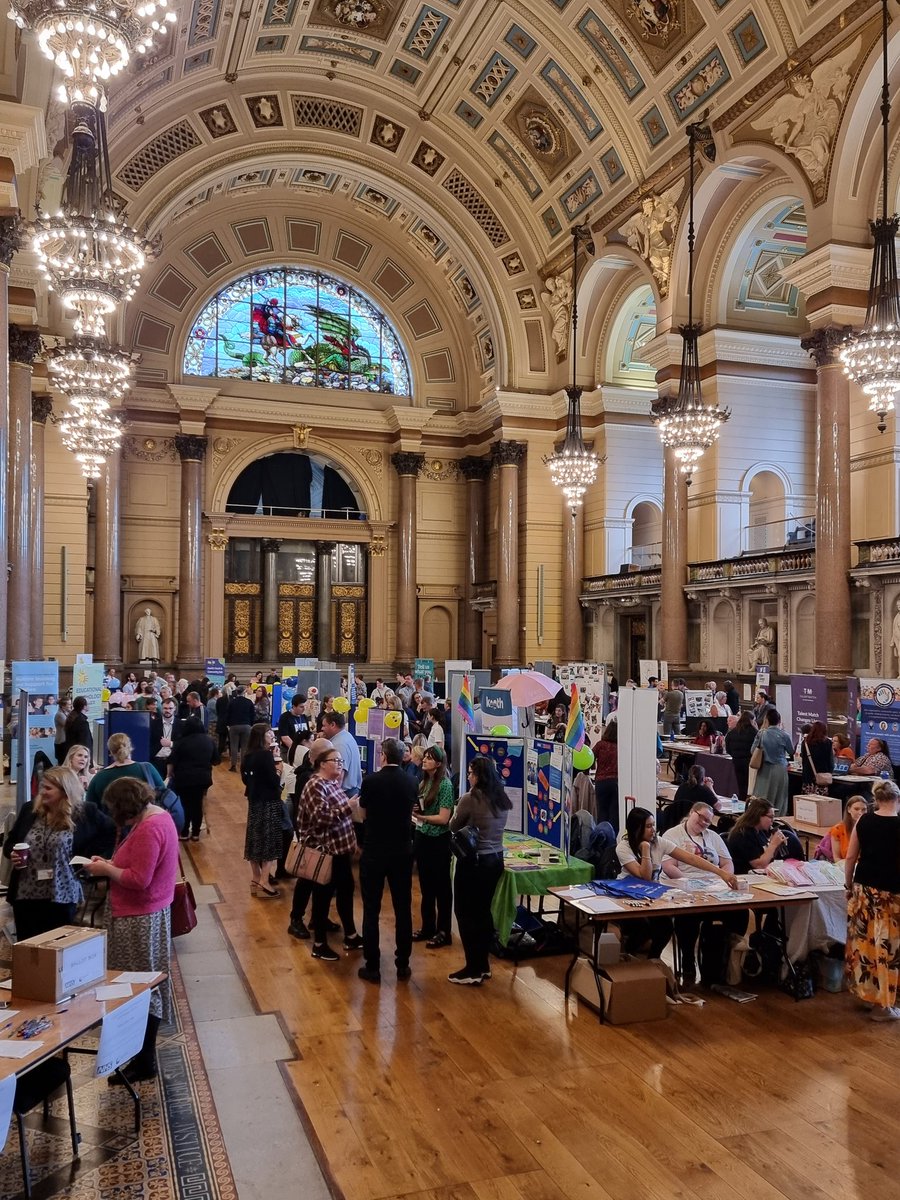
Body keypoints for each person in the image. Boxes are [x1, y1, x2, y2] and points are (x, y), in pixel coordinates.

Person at [84, 776, 178, 1082]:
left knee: (137, 987)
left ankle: (144, 1059)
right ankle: (139, 1055)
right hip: (147, 913)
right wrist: (111, 861)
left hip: (138, 918)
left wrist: (106, 869)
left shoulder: (149, 828)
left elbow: (139, 879)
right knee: (143, 984)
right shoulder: (157, 817)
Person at [3, 767, 115, 940]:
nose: (42, 792)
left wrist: (90, 857)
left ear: (65, 790)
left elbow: (112, 832)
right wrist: (12, 853)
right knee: (27, 946)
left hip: (62, 893)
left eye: (48, 788)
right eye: (42, 787)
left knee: (60, 947)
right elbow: (11, 842)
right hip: (26, 892)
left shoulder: (84, 812)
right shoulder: (29, 810)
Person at [663, 803, 748, 987]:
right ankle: (688, 962)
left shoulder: (714, 837)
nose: (703, 823)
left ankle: (723, 958)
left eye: (708, 821)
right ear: (691, 812)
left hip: (713, 887)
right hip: (684, 886)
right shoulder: (672, 835)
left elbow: (727, 864)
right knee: (688, 918)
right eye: (700, 817)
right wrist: (689, 882)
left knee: (740, 913)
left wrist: (721, 880)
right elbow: (669, 866)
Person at [295, 740, 363, 961]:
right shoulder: (315, 785)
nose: (340, 764)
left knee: (345, 891)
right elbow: (321, 819)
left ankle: (351, 934)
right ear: (322, 763)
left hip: (340, 851)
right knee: (323, 896)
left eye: (341, 761)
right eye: (336, 761)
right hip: (325, 852)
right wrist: (348, 807)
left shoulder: (332, 782)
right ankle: (320, 943)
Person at [357, 738, 418, 983]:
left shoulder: (370, 781)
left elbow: (362, 814)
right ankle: (403, 963)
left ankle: (372, 965)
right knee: (403, 907)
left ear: (382, 755)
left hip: (374, 849)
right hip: (402, 850)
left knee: (371, 908)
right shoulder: (412, 781)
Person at [447, 756, 512, 985]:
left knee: (465, 913)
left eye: (470, 773)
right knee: (483, 912)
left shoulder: (469, 798)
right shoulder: (501, 798)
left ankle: (473, 968)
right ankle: (483, 965)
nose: (468, 776)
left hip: (473, 862)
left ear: (478, 775)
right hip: (496, 860)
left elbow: (453, 826)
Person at [845, 778, 900, 1020]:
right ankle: (884, 1004)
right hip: (893, 893)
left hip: (865, 889)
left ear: (875, 800)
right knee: (889, 947)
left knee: (865, 942)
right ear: (897, 799)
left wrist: (848, 885)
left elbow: (850, 858)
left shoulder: (864, 821)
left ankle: (867, 994)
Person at [412, 745, 455, 949]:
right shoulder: (424, 782)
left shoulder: (445, 785)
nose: (424, 761)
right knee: (426, 887)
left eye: (429, 758)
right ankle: (427, 926)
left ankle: (444, 930)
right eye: (425, 758)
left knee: (441, 889)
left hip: (438, 841)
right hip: (422, 837)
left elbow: (444, 818)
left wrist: (422, 817)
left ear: (438, 764)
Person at [242, 723, 285, 898]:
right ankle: (265, 881)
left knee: (254, 840)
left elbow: (245, 780)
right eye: (269, 734)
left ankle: (255, 878)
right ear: (261, 737)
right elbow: (275, 781)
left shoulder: (248, 756)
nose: (272, 736)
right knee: (269, 842)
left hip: (254, 802)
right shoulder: (266, 756)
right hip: (269, 802)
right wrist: (279, 766)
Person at [169, 716, 218, 841]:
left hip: (183, 778)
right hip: (203, 778)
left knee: (185, 804)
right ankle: (196, 833)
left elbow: (172, 761)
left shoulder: (180, 742)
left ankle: (184, 832)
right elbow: (216, 760)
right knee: (197, 804)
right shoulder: (209, 741)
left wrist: (170, 774)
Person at [86, 733, 165, 810]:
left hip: (110, 822)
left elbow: (89, 808)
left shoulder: (99, 777)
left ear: (110, 751)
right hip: (145, 821)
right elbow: (164, 794)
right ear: (130, 747)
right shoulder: (147, 769)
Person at [726, 798, 804, 874]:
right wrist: (773, 844)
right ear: (758, 816)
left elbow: (768, 859)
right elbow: (759, 865)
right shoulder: (742, 835)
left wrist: (777, 845)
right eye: (770, 817)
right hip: (746, 877)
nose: (773, 820)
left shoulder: (760, 831)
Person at [750, 709, 794, 816]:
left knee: (763, 794)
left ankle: (761, 816)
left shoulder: (761, 734)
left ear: (767, 720)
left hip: (765, 768)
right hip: (780, 769)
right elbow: (791, 751)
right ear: (779, 721)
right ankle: (778, 817)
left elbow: (753, 751)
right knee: (780, 796)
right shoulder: (784, 735)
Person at [658, 764, 720, 833]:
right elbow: (718, 806)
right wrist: (710, 787)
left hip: (676, 822)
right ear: (703, 778)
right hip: (696, 824)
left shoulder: (682, 787)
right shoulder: (704, 790)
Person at [321, 710, 362, 798]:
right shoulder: (347, 736)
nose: (322, 729)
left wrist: (333, 798)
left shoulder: (339, 745)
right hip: (352, 791)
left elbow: (338, 775)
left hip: (345, 793)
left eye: (324, 725)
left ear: (333, 725)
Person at [816, 795, 869, 863]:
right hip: (843, 865)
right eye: (856, 809)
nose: (860, 813)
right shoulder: (838, 829)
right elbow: (837, 858)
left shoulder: (869, 829)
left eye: (864, 809)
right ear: (849, 809)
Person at [725, 709, 757, 801]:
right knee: (750, 785)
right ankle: (749, 803)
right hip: (749, 761)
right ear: (751, 720)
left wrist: (735, 755)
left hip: (737, 761)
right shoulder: (753, 732)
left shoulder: (732, 732)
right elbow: (756, 747)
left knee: (741, 784)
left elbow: (728, 749)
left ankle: (742, 801)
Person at [592, 721, 619, 830]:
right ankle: (612, 840)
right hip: (615, 782)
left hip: (601, 781)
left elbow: (590, 758)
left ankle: (600, 837)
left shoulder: (600, 745)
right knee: (614, 814)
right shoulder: (620, 747)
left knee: (602, 812)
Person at [227, 685, 256, 773]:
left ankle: (233, 765)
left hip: (234, 726)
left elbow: (228, 714)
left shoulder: (232, 702)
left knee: (234, 746)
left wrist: (228, 724)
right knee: (245, 746)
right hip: (246, 725)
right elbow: (253, 715)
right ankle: (244, 766)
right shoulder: (249, 702)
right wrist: (250, 724)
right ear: (244, 692)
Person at [800, 720, 835, 792]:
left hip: (808, 777)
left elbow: (803, 758)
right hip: (822, 777)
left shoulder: (805, 742)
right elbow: (831, 761)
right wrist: (830, 772)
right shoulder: (827, 742)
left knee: (807, 801)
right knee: (821, 801)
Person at [63, 695, 93, 762]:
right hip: (79, 758)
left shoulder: (73, 717)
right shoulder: (82, 722)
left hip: (72, 754)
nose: (89, 706)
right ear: (84, 706)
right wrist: (90, 764)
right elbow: (85, 743)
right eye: (88, 704)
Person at [54, 697, 72, 764]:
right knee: (62, 762)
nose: (71, 706)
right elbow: (69, 725)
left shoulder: (66, 713)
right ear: (63, 706)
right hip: (61, 743)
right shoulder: (59, 715)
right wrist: (72, 712)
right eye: (69, 704)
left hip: (65, 742)